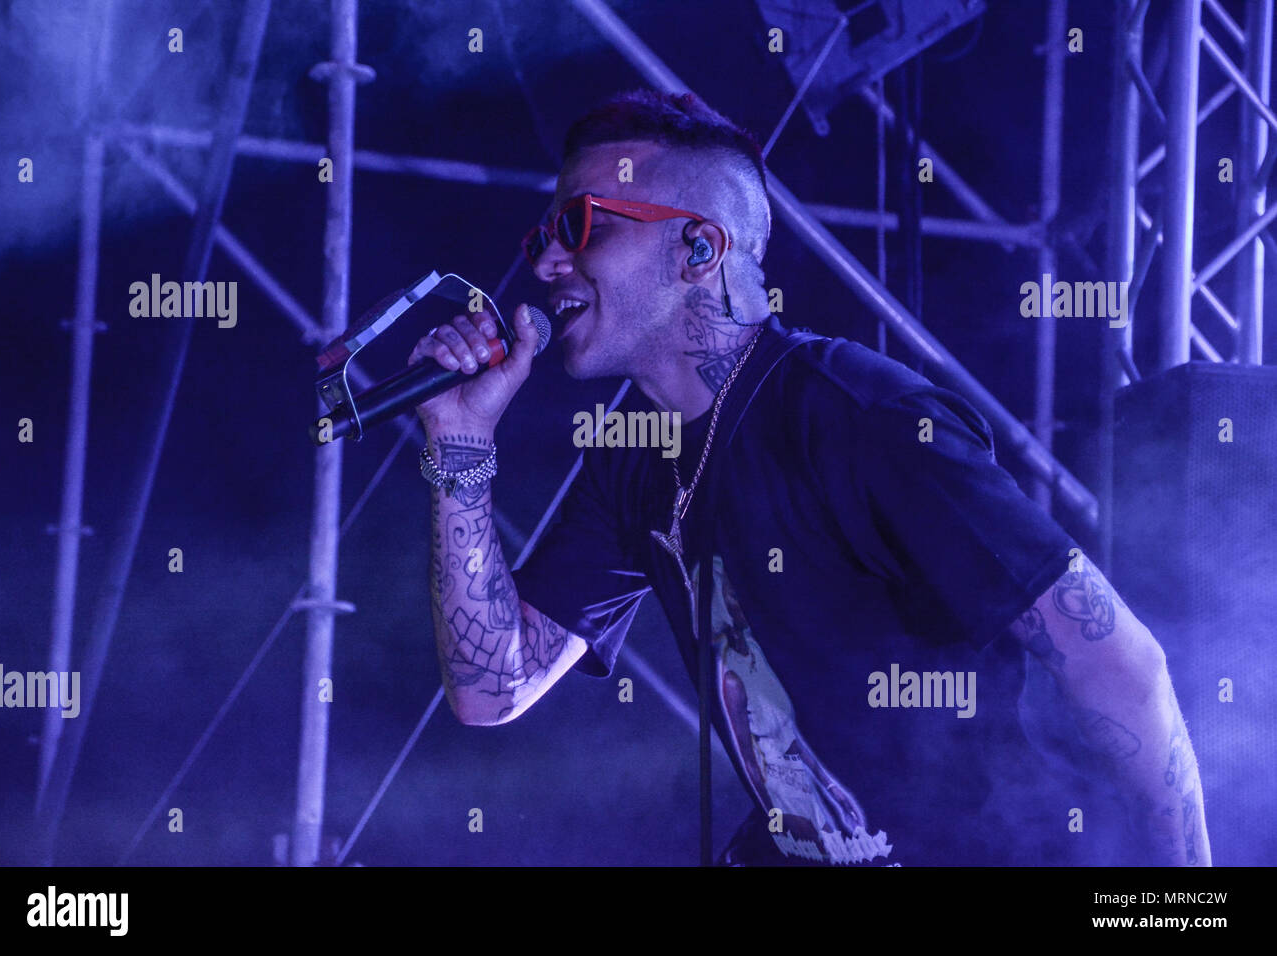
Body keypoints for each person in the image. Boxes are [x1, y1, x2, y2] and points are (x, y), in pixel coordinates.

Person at [408, 89, 1210, 866]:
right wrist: (461, 439)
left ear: (698, 251)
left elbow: (1118, 664)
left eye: (581, 225)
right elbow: (492, 687)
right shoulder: (632, 456)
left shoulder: (859, 415)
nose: (548, 260)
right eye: (545, 233)